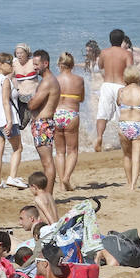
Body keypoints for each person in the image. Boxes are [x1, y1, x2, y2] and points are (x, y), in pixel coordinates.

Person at [0, 52, 25, 191]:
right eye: (9, 63)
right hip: (6, 119)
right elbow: (5, 102)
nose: (11, 65)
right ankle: (12, 177)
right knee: (18, 148)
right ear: (1, 64)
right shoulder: (4, 80)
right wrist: (9, 121)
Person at [113, 67, 140, 191]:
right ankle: (133, 185)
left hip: (124, 125)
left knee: (127, 156)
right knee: (136, 157)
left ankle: (129, 181)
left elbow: (119, 103)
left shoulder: (121, 91)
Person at [95, 29, 134, 153]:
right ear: (122, 40)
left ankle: (99, 137)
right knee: (122, 115)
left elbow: (100, 66)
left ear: (110, 40)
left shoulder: (104, 52)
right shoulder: (126, 54)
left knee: (102, 114)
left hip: (106, 85)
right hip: (120, 85)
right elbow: (130, 70)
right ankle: (123, 140)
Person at [26, 50, 60, 189]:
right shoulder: (50, 80)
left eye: (37, 64)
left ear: (45, 63)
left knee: (47, 162)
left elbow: (33, 104)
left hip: (43, 124)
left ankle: (48, 194)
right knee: (47, 161)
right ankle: (48, 193)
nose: (34, 67)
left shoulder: (47, 82)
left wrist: (28, 102)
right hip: (44, 123)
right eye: (33, 64)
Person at [53, 51, 85, 192]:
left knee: (60, 152)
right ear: (72, 65)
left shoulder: (54, 80)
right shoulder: (79, 80)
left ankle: (61, 184)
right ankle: (66, 177)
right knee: (72, 150)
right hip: (71, 114)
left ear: (60, 64)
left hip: (57, 114)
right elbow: (81, 98)